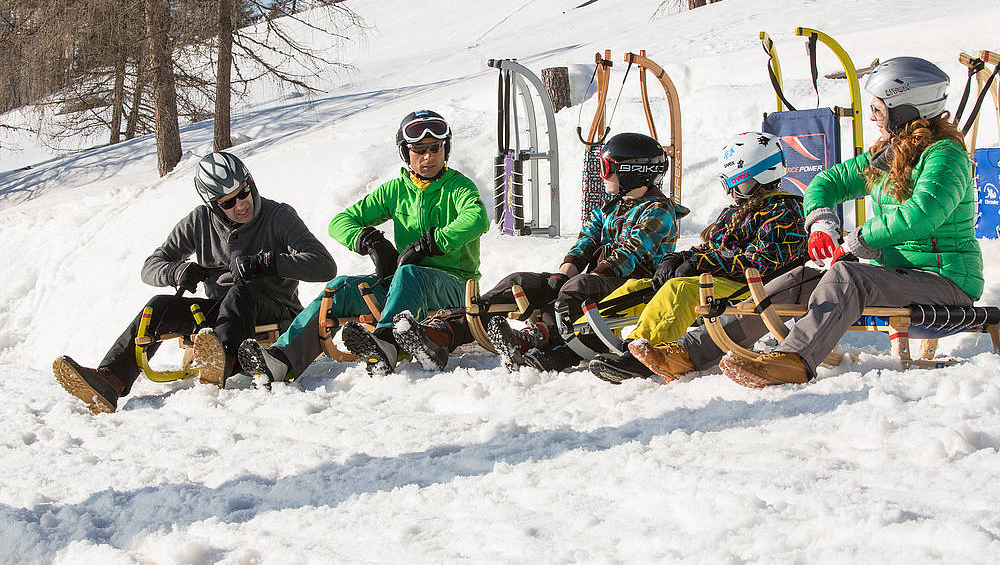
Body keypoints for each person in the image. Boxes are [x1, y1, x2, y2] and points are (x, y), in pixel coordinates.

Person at [639, 57, 983, 388]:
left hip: (946, 282)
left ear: (906, 108)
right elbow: (827, 182)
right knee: (806, 275)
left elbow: (922, 215)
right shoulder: (893, 153)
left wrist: (857, 240)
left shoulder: (946, 156)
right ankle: (693, 351)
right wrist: (821, 222)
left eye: (879, 109)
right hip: (903, 277)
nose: (875, 117)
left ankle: (794, 358)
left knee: (849, 274)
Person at [52, 152, 337, 413]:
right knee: (161, 306)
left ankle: (222, 359)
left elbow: (324, 265)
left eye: (244, 192)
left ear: (250, 183)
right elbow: (150, 266)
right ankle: (110, 380)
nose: (241, 205)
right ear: (213, 206)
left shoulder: (279, 216)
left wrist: (267, 262)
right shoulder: (199, 221)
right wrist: (178, 271)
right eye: (228, 203)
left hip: (274, 307)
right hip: (220, 313)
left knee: (241, 291)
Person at [392, 132, 688, 373]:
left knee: (577, 287)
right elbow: (584, 243)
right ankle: (443, 333)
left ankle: (538, 338)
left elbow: (627, 255)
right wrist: (562, 275)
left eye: (607, 168)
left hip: (638, 286)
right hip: (599, 280)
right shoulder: (611, 206)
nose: (602, 175)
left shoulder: (659, 211)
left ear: (632, 172)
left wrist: (575, 282)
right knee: (519, 281)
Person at [238, 110, 490, 385]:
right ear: (406, 153)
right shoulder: (395, 191)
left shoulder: (459, 187)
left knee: (408, 274)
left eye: (435, 148)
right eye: (418, 150)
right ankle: (282, 359)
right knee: (340, 288)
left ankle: (386, 343)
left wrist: (432, 243)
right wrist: (369, 241)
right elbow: (340, 221)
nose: (428, 157)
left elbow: (477, 219)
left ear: (446, 149)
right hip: (405, 287)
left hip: (456, 286)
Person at [587, 132, 807, 384]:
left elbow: (761, 262)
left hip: (757, 286)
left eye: (735, 185)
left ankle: (638, 353)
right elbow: (711, 248)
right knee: (640, 286)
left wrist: (700, 264)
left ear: (756, 179)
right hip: (728, 280)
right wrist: (680, 258)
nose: (731, 194)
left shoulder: (785, 212)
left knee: (681, 289)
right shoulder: (736, 212)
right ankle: (583, 337)